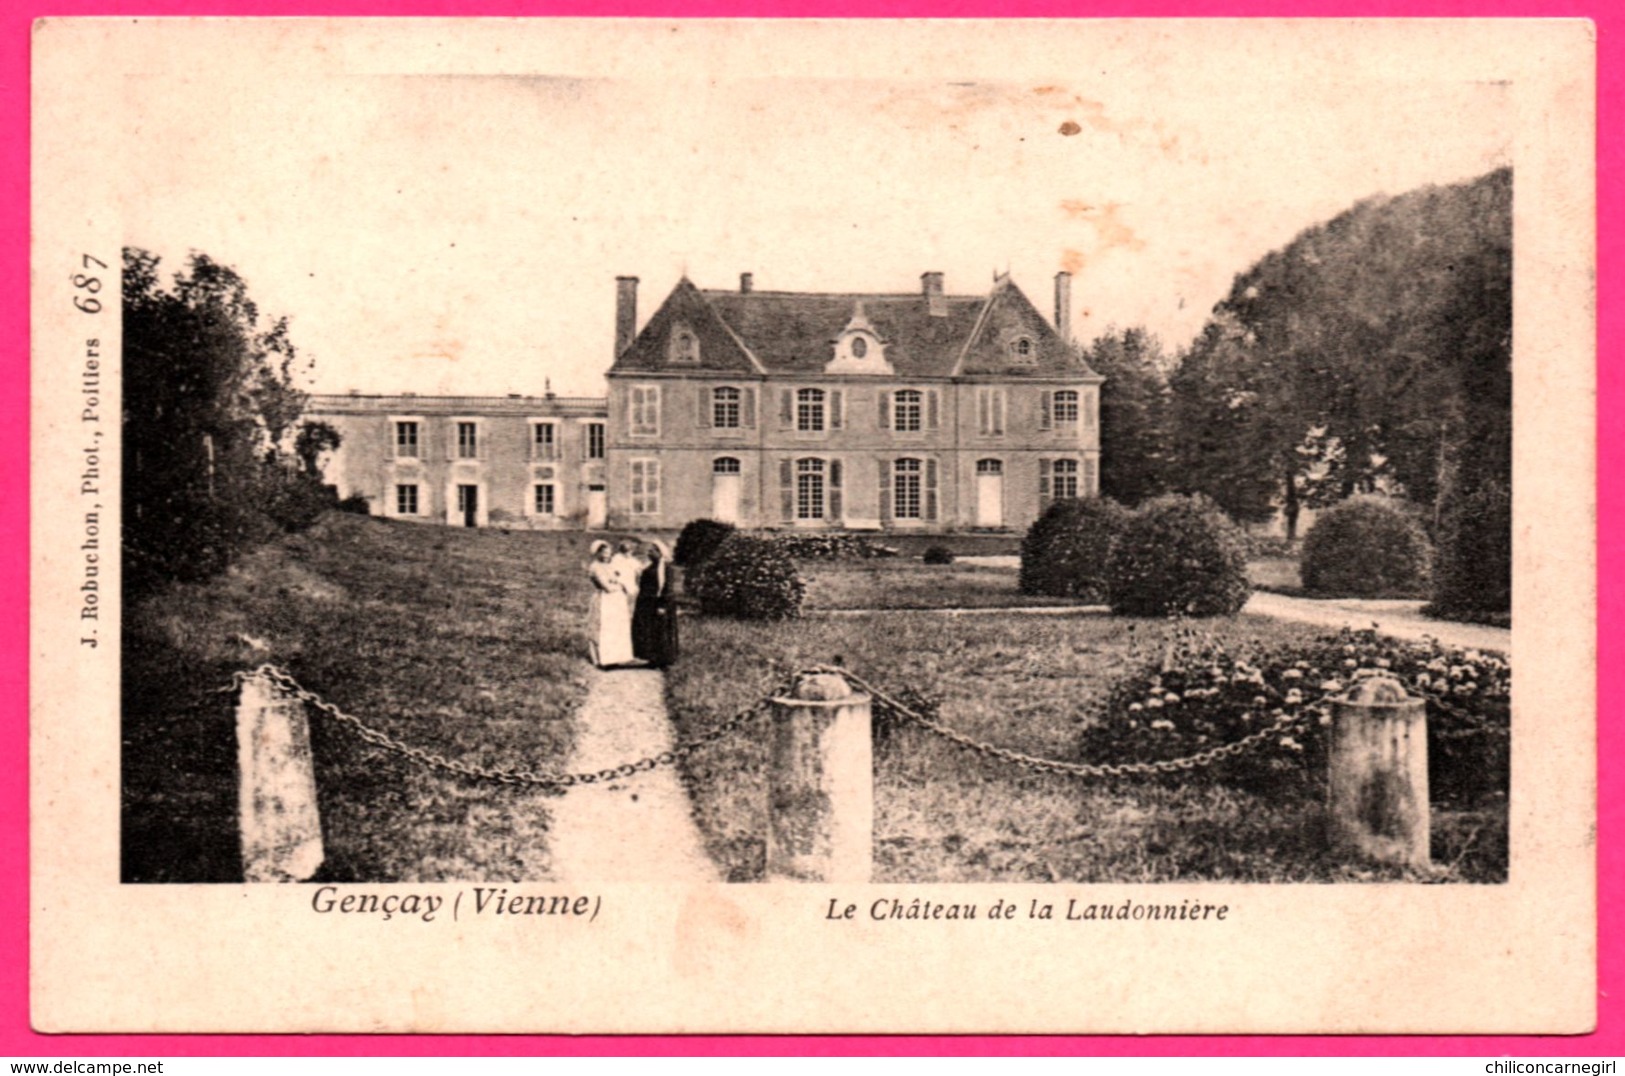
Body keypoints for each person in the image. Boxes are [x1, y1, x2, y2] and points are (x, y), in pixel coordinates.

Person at [586, 540, 634, 668]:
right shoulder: (595, 567)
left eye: (609, 552)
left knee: (615, 628)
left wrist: (619, 582)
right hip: (603, 598)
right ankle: (600, 659)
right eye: (604, 552)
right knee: (602, 627)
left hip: (616, 601)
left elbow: (623, 579)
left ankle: (614, 657)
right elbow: (607, 587)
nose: (607, 555)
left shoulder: (611, 565)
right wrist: (619, 584)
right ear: (598, 553)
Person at [632, 539, 680, 669]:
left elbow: (668, 588)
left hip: (659, 603)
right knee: (650, 631)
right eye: (649, 551)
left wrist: (662, 605)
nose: (649, 553)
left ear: (659, 552)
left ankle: (664, 660)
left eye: (652, 551)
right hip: (647, 603)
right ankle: (652, 658)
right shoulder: (650, 566)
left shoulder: (666, 568)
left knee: (662, 631)